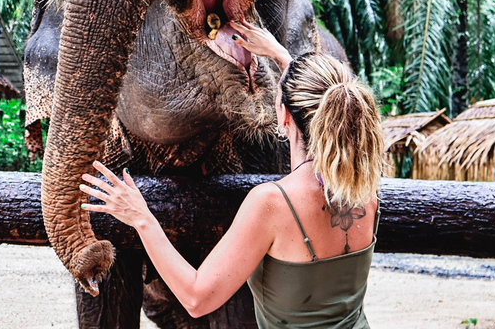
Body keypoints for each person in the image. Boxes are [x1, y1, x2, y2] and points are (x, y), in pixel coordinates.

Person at [80, 19, 385, 328]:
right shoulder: (365, 188)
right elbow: (325, 96)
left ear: (283, 118)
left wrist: (141, 217)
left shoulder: (272, 203)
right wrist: (280, 55)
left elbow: (197, 298)